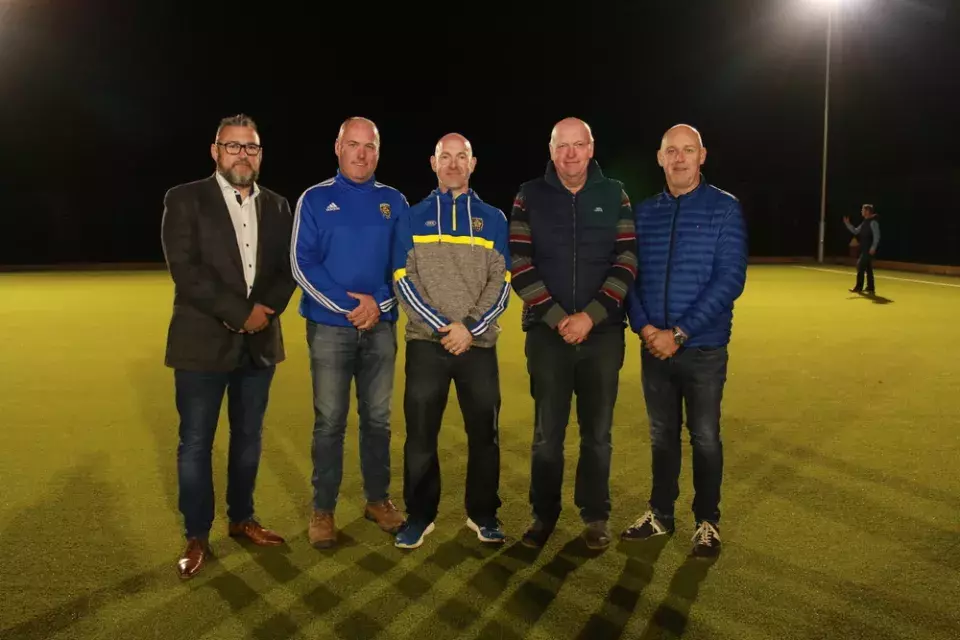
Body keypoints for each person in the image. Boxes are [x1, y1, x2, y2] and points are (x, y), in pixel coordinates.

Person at [160, 113, 297, 579]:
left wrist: (265, 311)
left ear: (260, 154)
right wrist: (239, 313)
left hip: (259, 345)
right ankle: (196, 535)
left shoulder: (279, 206)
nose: (243, 154)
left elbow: (287, 269)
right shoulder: (184, 199)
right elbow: (186, 268)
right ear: (215, 151)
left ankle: (243, 520)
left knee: (248, 440)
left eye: (251, 147)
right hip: (201, 344)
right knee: (196, 443)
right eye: (233, 146)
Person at [508, 117, 638, 550]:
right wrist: (559, 317)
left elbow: (626, 260)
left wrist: (592, 316)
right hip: (547, 335)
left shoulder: (613, 192)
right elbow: (520, 265)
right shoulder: (529, 195)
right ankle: (543, 516)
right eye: (562, 146)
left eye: (578, 145)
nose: (570, 154)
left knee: (597, 434)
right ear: (551, 150)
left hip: (602, 334)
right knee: (548, 435)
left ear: (590, 147)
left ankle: (595, 515)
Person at [622, 124, 747, 559]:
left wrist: (679, 333)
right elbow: (628, 276)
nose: (679, 158)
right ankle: (660, 514)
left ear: (702, 156)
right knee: (661, 436)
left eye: (687, 150)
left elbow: (730, 278)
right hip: (653, 346)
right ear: (659, 158)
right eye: (671, 151)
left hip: (703, 349)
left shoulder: (725, 208)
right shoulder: (643, 212)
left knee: (706, 436)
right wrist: (645, 329)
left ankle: (707, 521)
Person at [291, 116, 408, 548]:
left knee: (377, 420)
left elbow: (405, 263)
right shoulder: (316, 199)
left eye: (370, 147)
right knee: (330, 422)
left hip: (380, 327)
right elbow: (302, 264)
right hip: (329, 329)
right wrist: (349, 305)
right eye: (354, 145)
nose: (362, 153)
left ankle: (377, 500)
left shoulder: (394, 201)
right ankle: (323, 509)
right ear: (337, 148)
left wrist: (377, 302)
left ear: (378, 152)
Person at [391, 133, 511, 549]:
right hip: (427, 343)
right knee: (421, 435)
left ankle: (483, 514)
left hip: (477, 346)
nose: (454, 164)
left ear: (473, 164)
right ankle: (419, 515)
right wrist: (444, 326)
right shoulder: (411, 216)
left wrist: (470, 328)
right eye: (446, 157)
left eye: (462, 157)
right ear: (433, 162)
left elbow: (503, 281)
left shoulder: (493, 218)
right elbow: (403, 278)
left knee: (485, 435)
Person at [844, 204, 880, 294]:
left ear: (867, 211)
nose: (861, 212)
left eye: (863, 210)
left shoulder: (873, 222)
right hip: (864, 249)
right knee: (868, 268)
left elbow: (877, 236)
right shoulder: (865, 222)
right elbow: (856, 231)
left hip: (868, 249)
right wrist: (848, 224)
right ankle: (870, 287)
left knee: (860, 266)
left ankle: (858, 287)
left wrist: (873, 247)